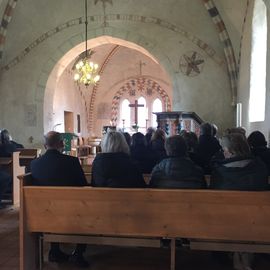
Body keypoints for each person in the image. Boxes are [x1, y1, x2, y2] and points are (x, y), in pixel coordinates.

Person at [30, 131, 89, 268]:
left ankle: (54, 250)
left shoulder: (34, 164)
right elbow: (83, 185)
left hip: (44, 212)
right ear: (62, 144)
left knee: (51, 207)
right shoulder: (72, 162)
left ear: (45, 146)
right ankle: (78, 253)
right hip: (72, 211)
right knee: (85, 207)